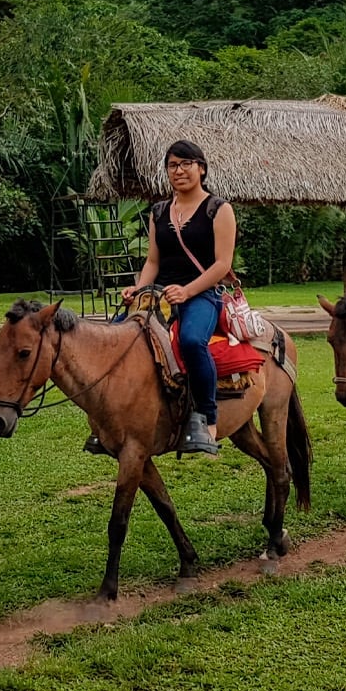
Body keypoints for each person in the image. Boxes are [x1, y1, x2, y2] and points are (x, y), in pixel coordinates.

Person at [120, 140, 235, 456]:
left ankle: (207, 418)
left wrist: (188, 290)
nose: (179, 171)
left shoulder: (218, 209)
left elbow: (222, 264)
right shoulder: (158, 211)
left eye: (186, 164)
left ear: (201, 168)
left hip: (203, 294)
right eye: (173, 165)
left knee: (191, 340)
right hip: (158, 295)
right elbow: (153, 262)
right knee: (116, 336)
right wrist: (138, 289)